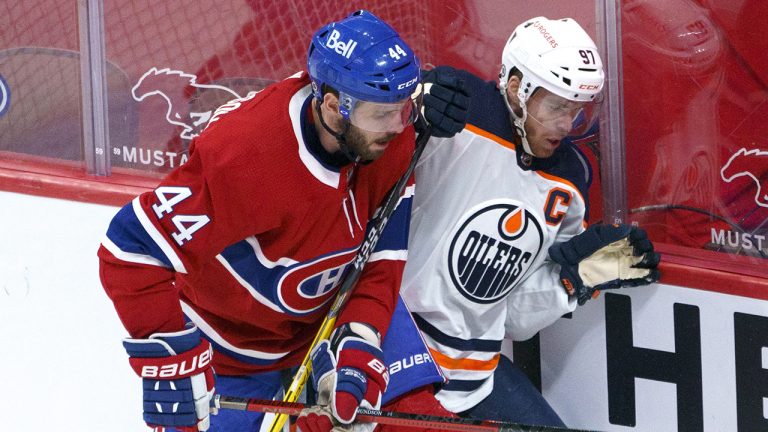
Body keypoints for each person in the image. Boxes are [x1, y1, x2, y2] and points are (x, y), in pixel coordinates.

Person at [98, 10, 468, 432]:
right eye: (382, 114)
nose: (398, 126)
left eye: (402, 109)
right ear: (332, 105)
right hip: (231, 350)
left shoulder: (388, 138)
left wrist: (359, 338)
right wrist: (174, 358)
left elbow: (380, 254)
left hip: (330, 314)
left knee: (416, 420)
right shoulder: (245, 155)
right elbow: (129, 250)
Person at [398, 17, 661, 427]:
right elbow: (359, 159)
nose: (567, 124)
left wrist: (574, 280)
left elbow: (514, 319)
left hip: (475, 377)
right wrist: (407, 108)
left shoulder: (569, 180)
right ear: (518, 87)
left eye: (577, 110)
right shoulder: (455, 112)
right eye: (557, 106)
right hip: (393, 357)